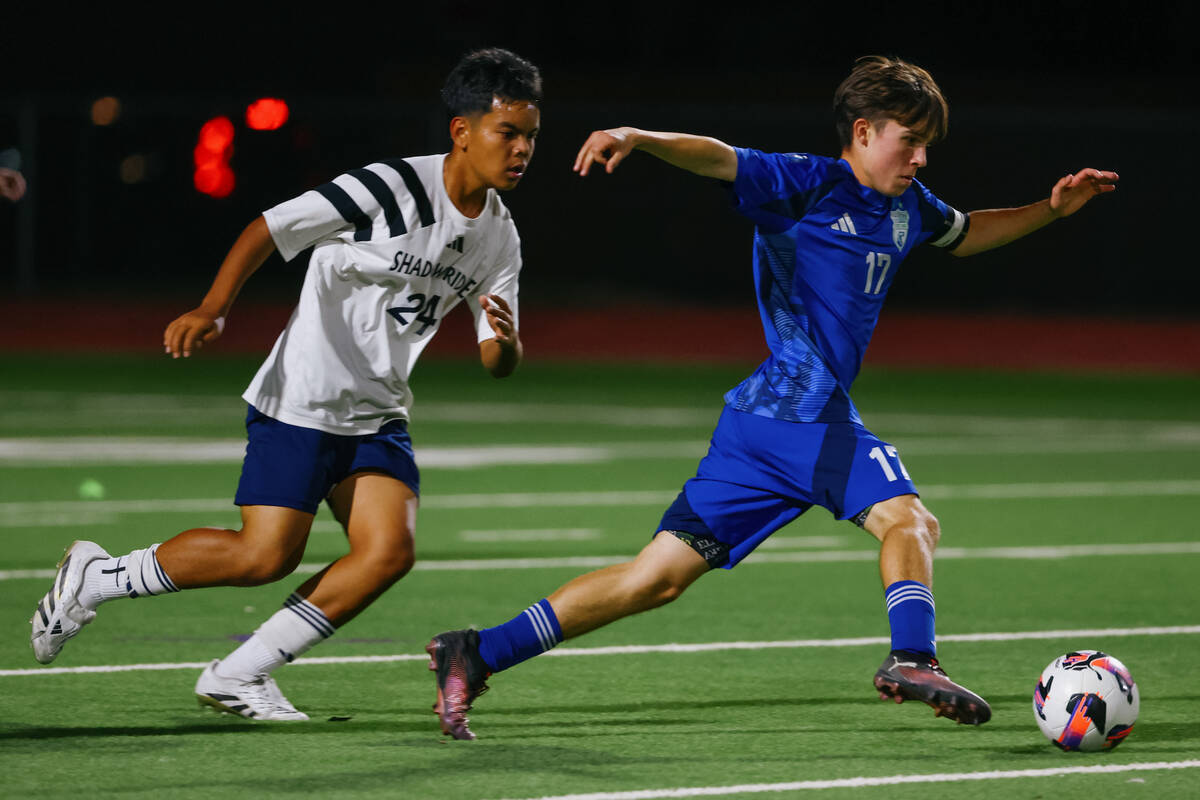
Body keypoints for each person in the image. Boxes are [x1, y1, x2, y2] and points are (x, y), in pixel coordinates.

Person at [425, 55, 1119, 740]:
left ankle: (479, 650)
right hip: (801, 413)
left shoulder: (909, 206)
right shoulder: (807, 185)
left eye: (927, 145)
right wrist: (639, 138)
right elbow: (719, 158)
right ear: (863, 132)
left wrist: (1051, 211)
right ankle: (914, 657)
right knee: (909, 520)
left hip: (757, 429)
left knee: (654, 578)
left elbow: (966, 234)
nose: (920, 158)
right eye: (909, 141)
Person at [30, 47, 542, 720]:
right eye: (510, 132)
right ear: (462, 130)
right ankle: (99, 577)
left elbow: (494, 358)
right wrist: (213, 308)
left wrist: (505, 343)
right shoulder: (392, 188)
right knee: (262, 556)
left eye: (532, 136)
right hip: (303, 397)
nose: (523, 149)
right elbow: (269, 227)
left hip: (378, 412)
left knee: (388, 552)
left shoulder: (499, 237)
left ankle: (239, 673)